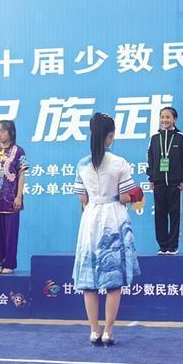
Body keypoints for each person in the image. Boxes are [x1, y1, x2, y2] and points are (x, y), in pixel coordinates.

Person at [73, 113, 140, 345]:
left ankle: (94, 330)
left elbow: (82, 198)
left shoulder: (82, 164)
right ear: (110, 136)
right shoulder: (119, 162)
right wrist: (136, 196)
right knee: (114, 278)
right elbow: (124, 196)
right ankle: (109, 331)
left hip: (91, 216)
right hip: (113, 216)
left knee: (89, 279)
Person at [0, 120, 27, 274]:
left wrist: (19, 197)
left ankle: (9, 264)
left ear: (11, 132)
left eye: (2, 131)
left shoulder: (18, 151)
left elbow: (22, 175)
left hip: (10, 199)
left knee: (10, 233)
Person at [147, 106, 183, 255]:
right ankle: (163, 246)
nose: (164, 120)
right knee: (160, 214)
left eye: (168, 117)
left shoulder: (180, 137)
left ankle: (173, 246)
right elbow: (150, 159)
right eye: (162, 117)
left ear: (174, 119)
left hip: (174, 182)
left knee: (174, 214)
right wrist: (151, 178)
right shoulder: (154, 138)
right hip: (158, 181)